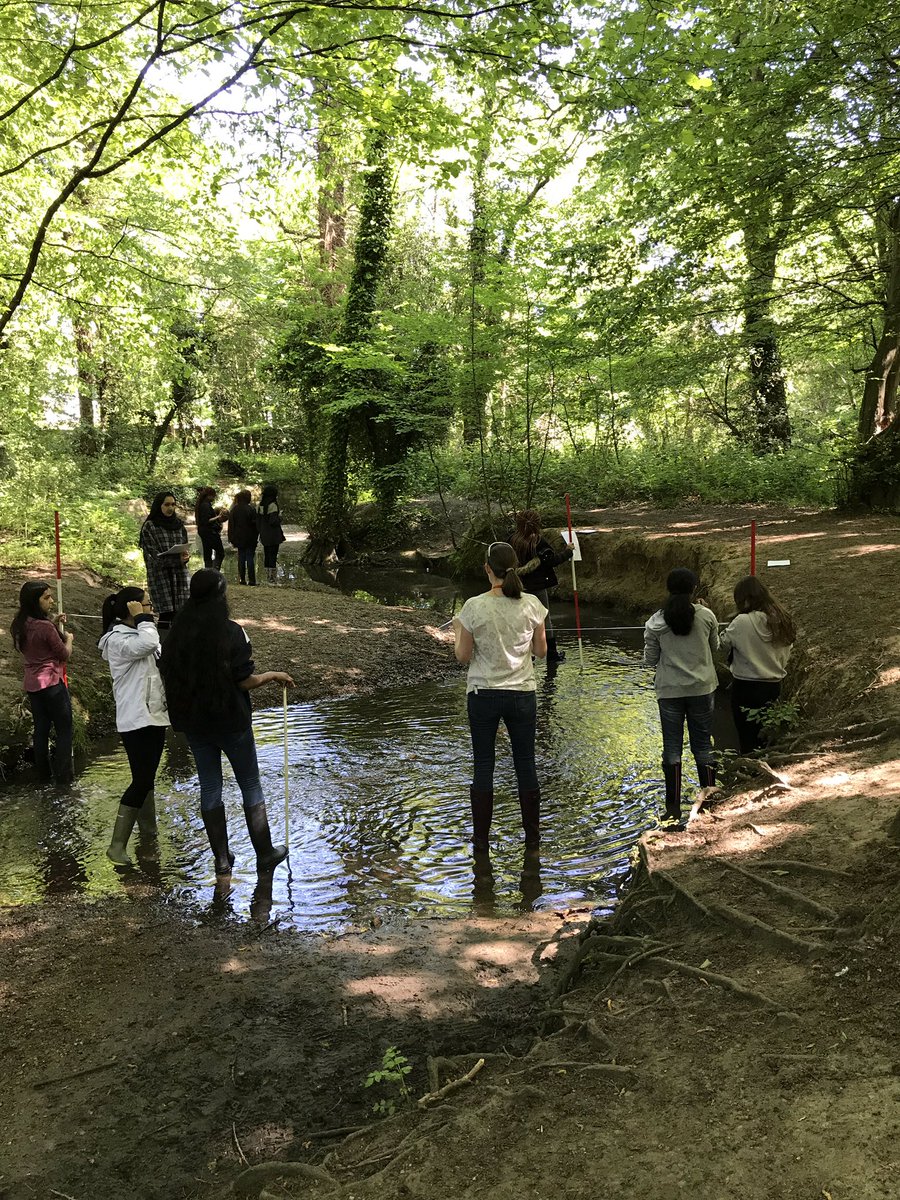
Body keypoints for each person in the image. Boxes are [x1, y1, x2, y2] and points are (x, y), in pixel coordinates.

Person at [158, 569, 294, 877]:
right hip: (231, 721)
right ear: (220, 596)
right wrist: (273, 675)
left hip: (194, 723)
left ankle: (221, 859)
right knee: (250, 784)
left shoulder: (176, 633)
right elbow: (243, 680)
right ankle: (265, 854)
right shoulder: (232, 632)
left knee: (210, 786)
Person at [453, 541, 548, 853]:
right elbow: (541, 652)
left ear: (487, 569)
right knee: (526, 763)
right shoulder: (533, 604)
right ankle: (533, 840)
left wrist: (457, 630)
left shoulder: (473, 606)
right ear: (515, 566)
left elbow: (463, 656)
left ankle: (481, 842)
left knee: (484, 764)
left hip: (483, 693)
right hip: (522, 694)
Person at [98, 587, 170, 866]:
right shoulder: (118, 640)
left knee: (146, 776)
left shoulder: (139, 633)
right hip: (136, 719)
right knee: (141, 780)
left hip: (153, 715)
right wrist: (143, 619)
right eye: (146, 605)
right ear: (132, 608)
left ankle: (149, 831)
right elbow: (149, 644)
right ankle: (116, 846)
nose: (152, 609)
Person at [643, 567, 719, 828]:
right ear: (693, 589)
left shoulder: (656, 622)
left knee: (672, 749)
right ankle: (710, 801)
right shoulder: (706, 615)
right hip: (702, 688)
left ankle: (672, 810)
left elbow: (650, 660)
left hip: (669, 691)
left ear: (668, 589)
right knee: (703, 746)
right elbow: (715, 647)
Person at [720, 575, 796, 754]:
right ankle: (768, 764)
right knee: (767, 736)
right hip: (773, 686)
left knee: (747, 738)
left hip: (745, 687)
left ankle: (749, 767)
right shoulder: (782, 620)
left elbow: (723, 644)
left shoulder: (742, 621)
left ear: (745, 600)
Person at [11, 581, 74, 784]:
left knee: (41, 730)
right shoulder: (45, 627)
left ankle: (44, 778)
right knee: (64, 730)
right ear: (34, 601)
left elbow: (37, 639)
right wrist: (69, 639)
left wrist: (53, 623)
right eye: (46, 597)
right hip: (53, 684)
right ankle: (64, 780)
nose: (52, 601)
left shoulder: (20, 623)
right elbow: (64, 654)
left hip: (33, 686)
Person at [511, 509, 574, 663]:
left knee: (520, 620)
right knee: (545, 619)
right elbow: (551, 561)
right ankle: (552, 655)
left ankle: (524, 656)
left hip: (516, 586)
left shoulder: (511, 540)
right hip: (537, 587)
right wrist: (567, 552)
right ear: (537, 524)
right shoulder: (539, 542)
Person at [139, 491, 190, 628]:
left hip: (180, 577)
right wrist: (176, 560)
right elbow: (153, 558)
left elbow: (184, 548)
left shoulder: (179, 525)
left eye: (173, 504)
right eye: (166, 504)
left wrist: (185, 557)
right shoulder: (150, 526)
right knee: (165, 616)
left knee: (181, 615)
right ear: (159, 506)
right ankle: (162, 641)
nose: (170, 508)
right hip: (161, 578)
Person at [227, 489, 259, 586]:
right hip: (250, 538)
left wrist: (231, 538)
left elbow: (231, 525)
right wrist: (256, 536)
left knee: (241, 558)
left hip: (238, 538)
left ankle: (242, 579)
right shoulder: (250, 509)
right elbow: (255, 524)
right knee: (249, 558)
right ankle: (252, 580)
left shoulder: (234, 510)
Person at [257, 484, 285, 584]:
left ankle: (267, 577)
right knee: (273, 555)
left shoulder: (260, 505)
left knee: (267, 555)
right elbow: (273, 521)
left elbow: (258, 521)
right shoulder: (273, 505)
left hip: (264, 534)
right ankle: (272, 578)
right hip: (273, 534)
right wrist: (280, 517)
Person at [195, 487, 228, 571]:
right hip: (209, 532)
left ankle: (208, 571)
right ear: (209, 495)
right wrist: (218, 517)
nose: (214, 498)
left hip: (204, 531)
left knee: (208, 553)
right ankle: (214, 571)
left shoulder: (202, 504)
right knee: (220, 552)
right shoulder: (205, 505)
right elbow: (206, 520)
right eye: (213, 496)